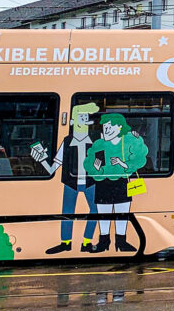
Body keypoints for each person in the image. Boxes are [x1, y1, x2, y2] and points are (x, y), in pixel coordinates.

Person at [31, 102, 101, 254]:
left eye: (86, 118)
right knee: (67, 212)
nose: (85, 122)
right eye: (82, 118)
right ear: (73, 122)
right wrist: (42, 159)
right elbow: (52, 168)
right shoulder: (68, 142)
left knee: (95, 210)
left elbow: (100, 165)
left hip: (90, 182)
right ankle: (66, 242)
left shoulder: (94, 143)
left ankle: (87, 241)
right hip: (71, 182)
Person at [84, 114, 148, 253]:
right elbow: (88, 163)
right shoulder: (99, 144)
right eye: (105, 127)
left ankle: (121, 242)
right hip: (103, 182)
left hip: (121, 182)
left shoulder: (129, 141)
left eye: (109, 126)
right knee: (103, 215)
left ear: (120, 127)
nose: (106, 130)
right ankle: (104, 242)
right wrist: (96, 168)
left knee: (122, 213)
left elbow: (139, 159)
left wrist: (121, 162)